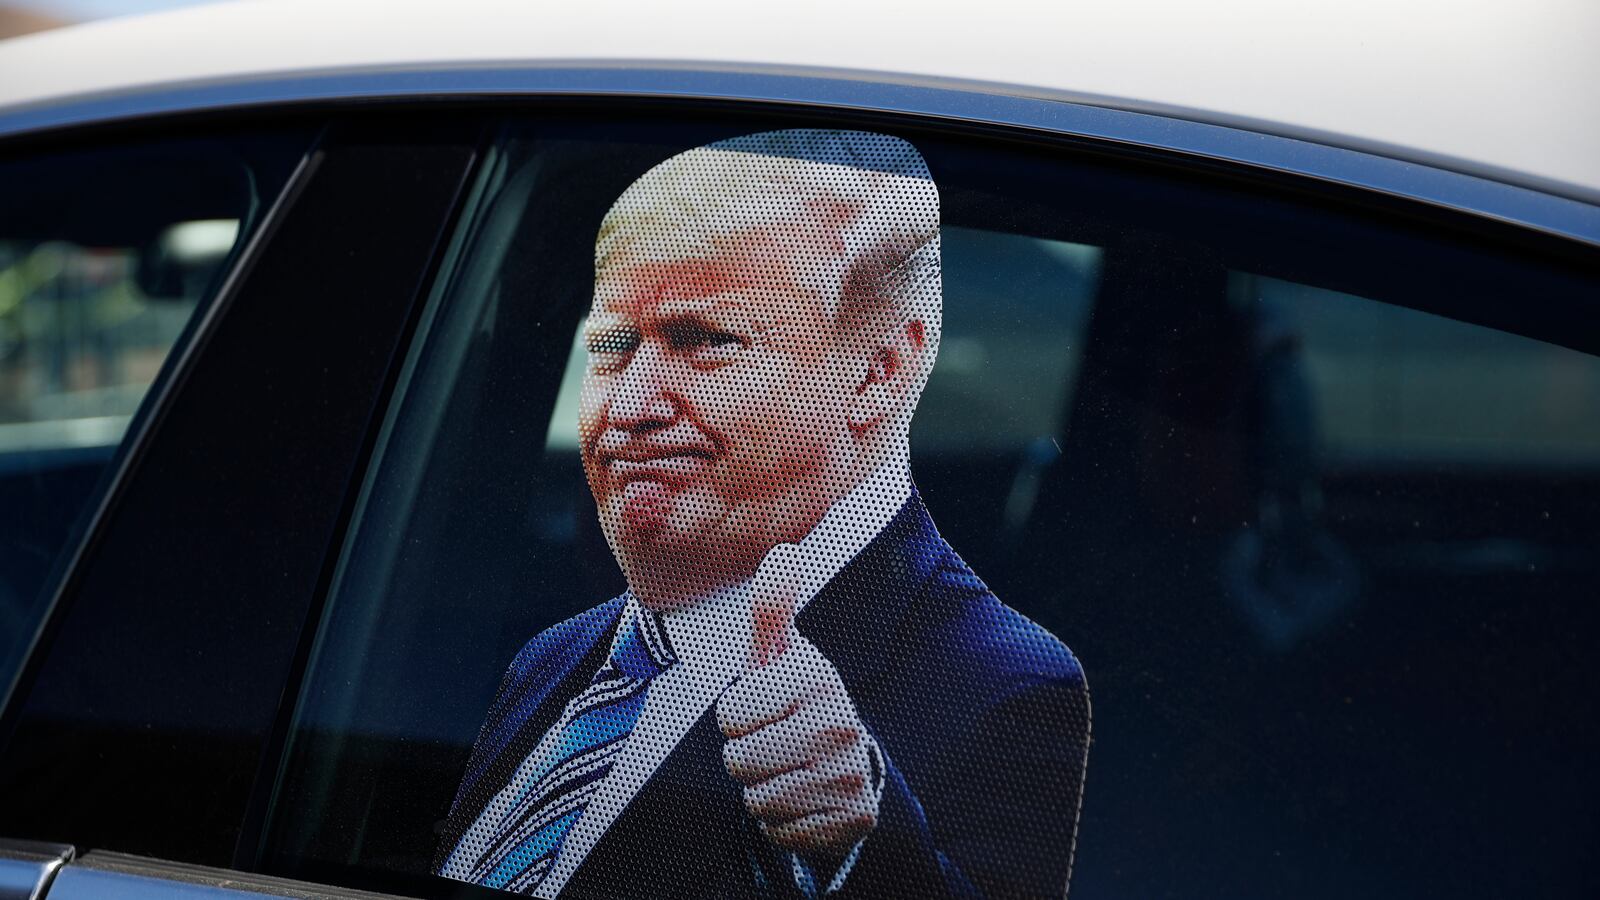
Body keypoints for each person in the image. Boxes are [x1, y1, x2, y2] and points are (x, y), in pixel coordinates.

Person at [435, 129, 1090, 899]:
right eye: (611, 345)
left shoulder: (1001, 688)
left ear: (881, 371)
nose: (631, 406)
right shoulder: (551, 659)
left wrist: (855, 848)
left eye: (704, 340)